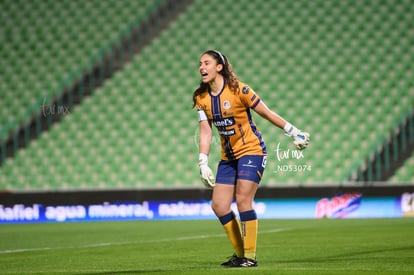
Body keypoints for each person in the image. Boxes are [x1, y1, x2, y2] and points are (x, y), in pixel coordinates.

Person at [192, 50, 310, 268]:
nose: (201, 67)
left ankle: (250, 256)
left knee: (244, 199)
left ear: (219, 67)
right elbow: (206, 131)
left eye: (206, 62)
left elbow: (266, 112)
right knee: (219, 206)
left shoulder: (239, 90)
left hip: (251, 151)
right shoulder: (201, 97)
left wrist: (293, 131)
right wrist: (202, 161)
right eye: (200, 63)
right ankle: (240, 255)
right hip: (228, 158)